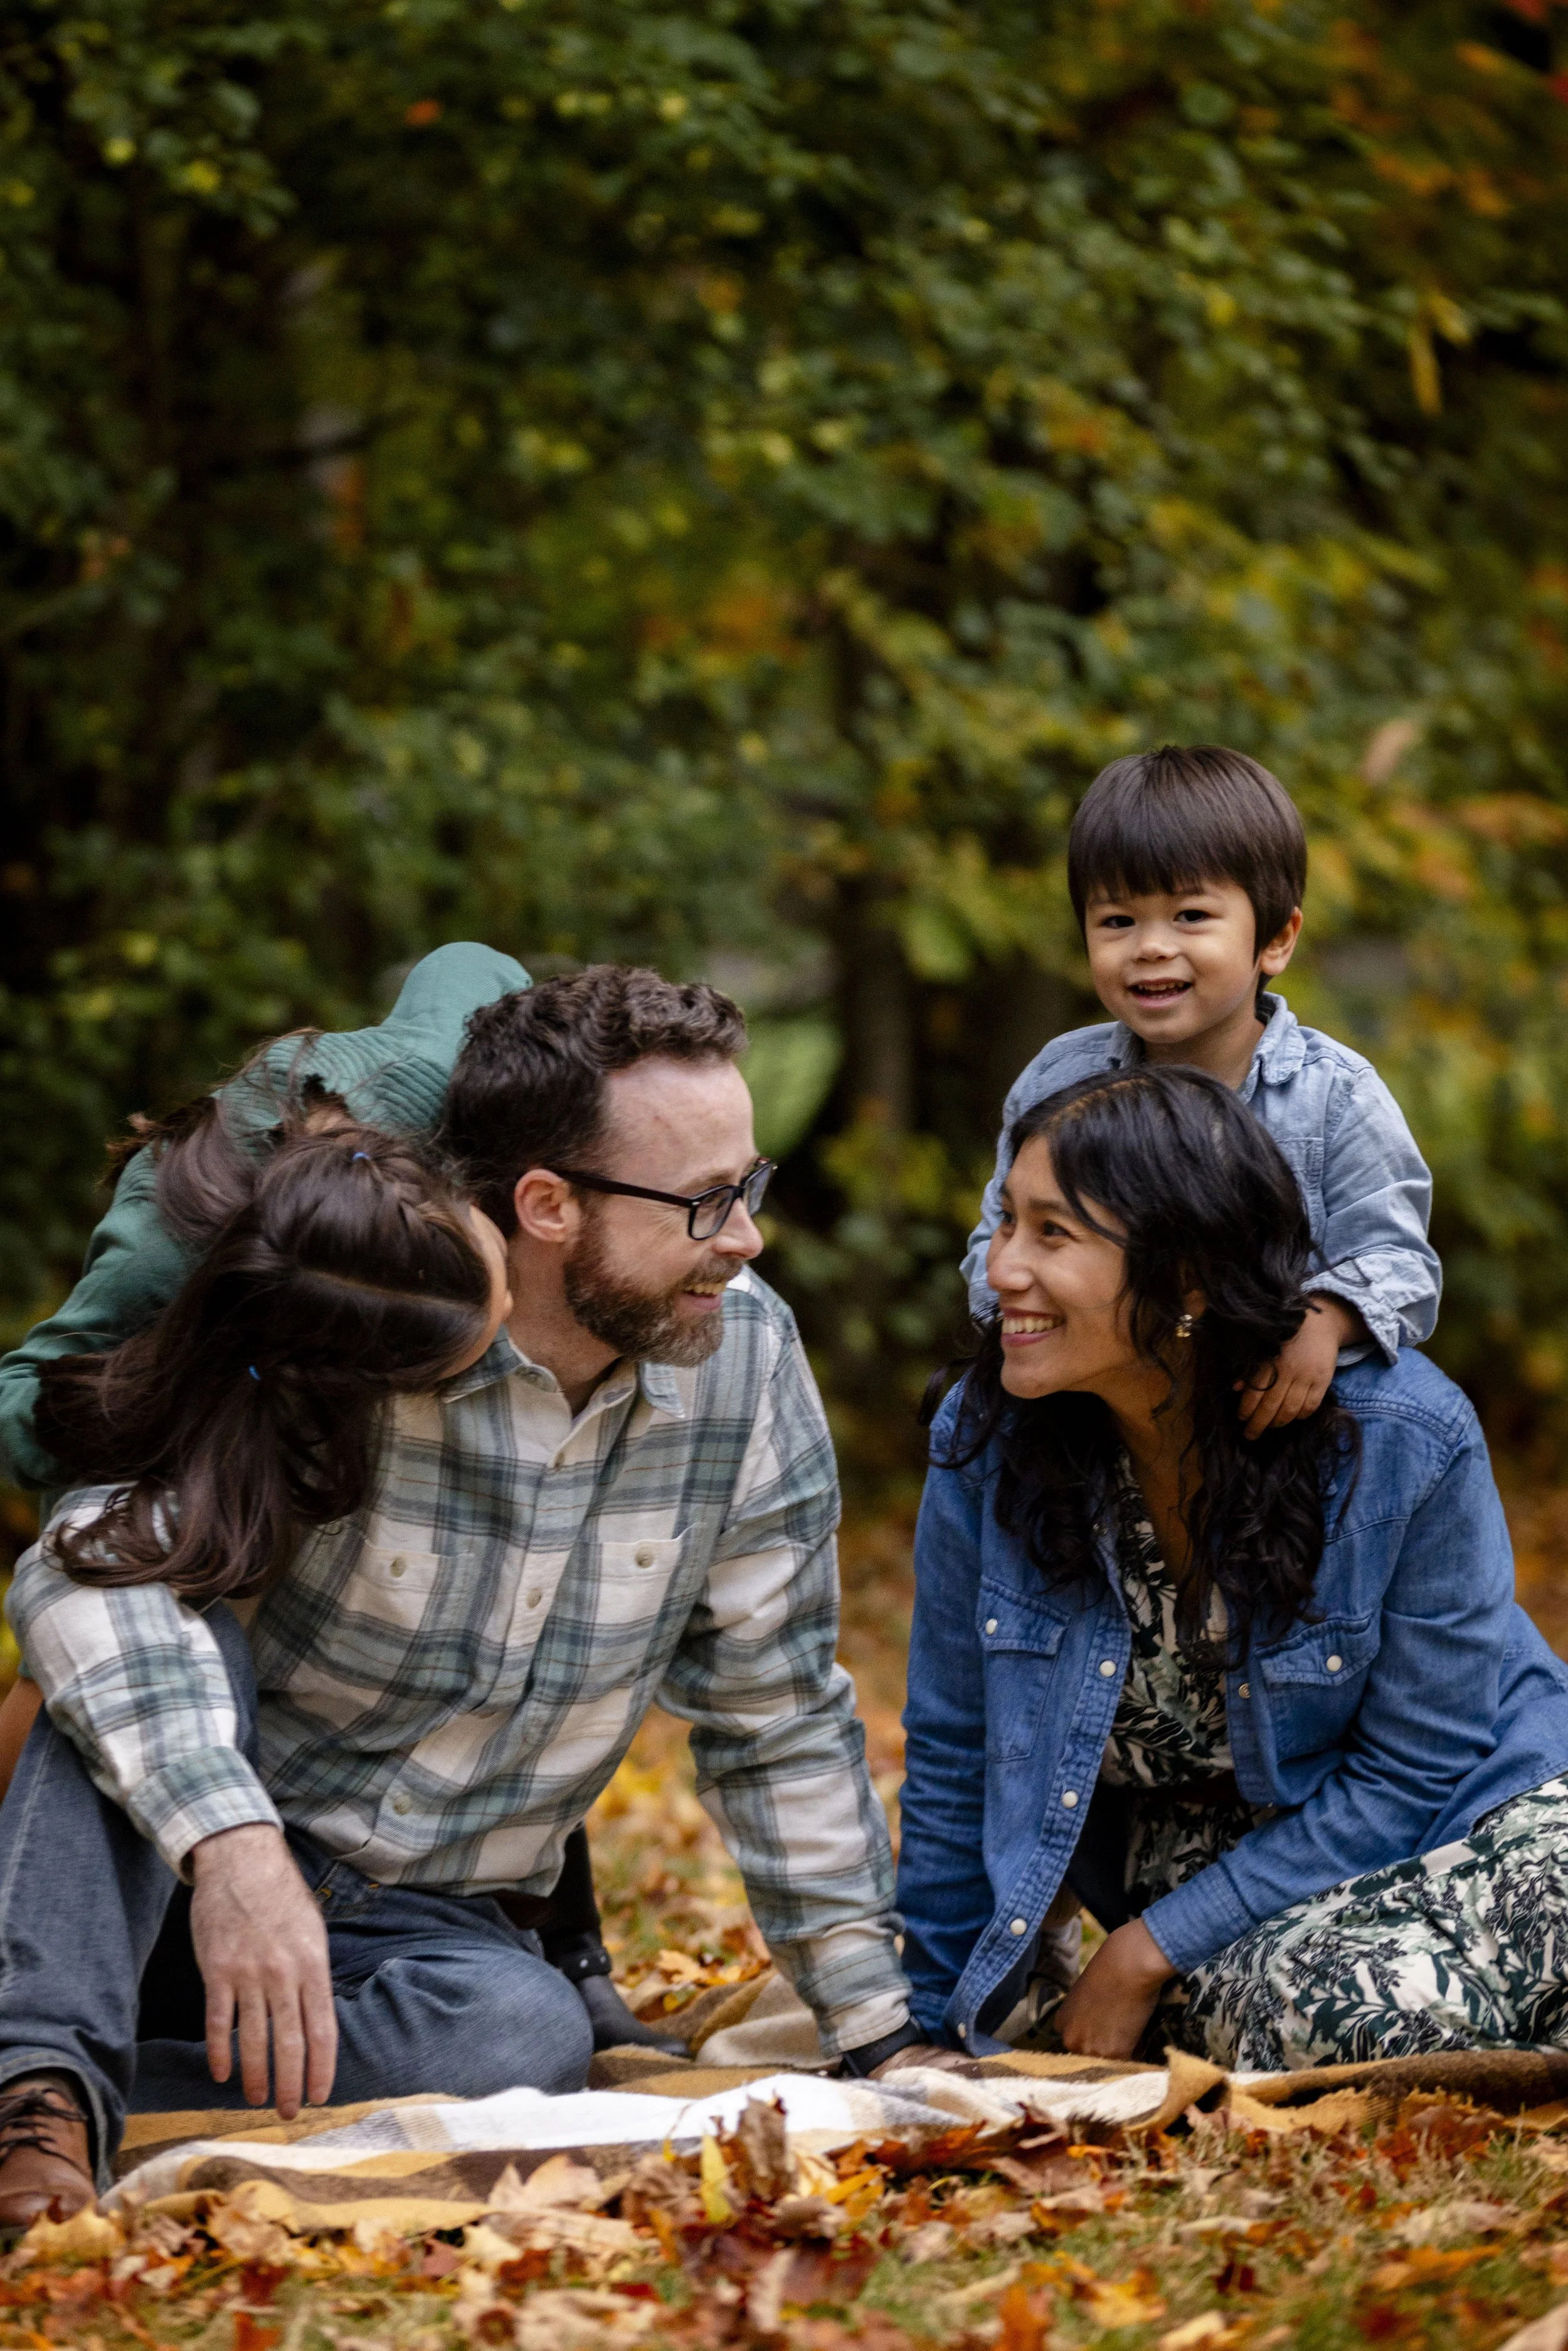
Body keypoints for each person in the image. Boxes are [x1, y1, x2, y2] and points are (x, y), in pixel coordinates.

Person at [0, 967, 917, 2222]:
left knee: (517, 2038)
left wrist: (879, 2037)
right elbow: (88, 1556)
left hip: (412, 1938)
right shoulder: (372, 1309)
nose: (746, 1237)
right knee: (134, 1651)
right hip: (183, 1860)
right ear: (545, 1203)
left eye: (747, 1186)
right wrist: (230, 1837)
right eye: (707, 1200)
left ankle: (124, 2087)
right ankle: (36, 2099)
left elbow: (781, 1714)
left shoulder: (745, 1364)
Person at [0, 943, 672, 2059]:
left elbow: (468, 960)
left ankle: (569, 1947)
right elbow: (33, 1408)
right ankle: (45, 2050)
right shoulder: (170, 1234)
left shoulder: (458, 1092)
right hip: (200, 1475)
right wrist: (187, 1424)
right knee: (129, 1623)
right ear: (344, 1371)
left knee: (530, 1571)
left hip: (389, 1820)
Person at [899, 1066, 1568, 2069]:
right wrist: (925, 2027)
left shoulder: (1401, 1435)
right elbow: (957, 1744)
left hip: (1473, 1807)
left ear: (1189, 1278)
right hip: (1228, 1889)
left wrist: (1139, 1957)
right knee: (1332, 2014)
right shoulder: (990, 1438)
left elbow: (1420, 1766)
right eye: (1006, 1224)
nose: (1000, 1270)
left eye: (1053, 1234)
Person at [963, 745, 1441, 1437]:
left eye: (1190, 915)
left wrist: (1325, 1323)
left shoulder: (1334, 1098)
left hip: (1273, 1421)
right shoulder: (1060, 1083)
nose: (1151, 946)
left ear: (1275, 938)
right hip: (1101, 1417)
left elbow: (1398, 1262)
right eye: (1118, 921)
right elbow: (996, 1243)